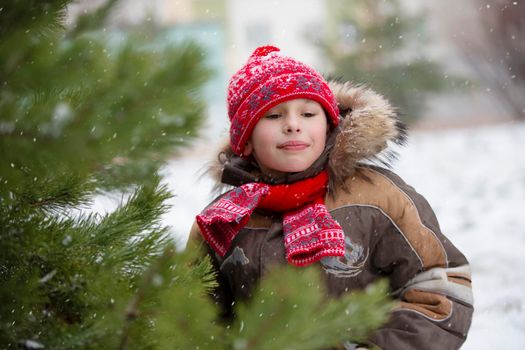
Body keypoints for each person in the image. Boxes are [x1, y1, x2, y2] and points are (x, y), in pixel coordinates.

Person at [190, 45, 473, 349]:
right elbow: (191, 316)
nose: (293, 124)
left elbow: (440, 285)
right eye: (273, 115)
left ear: (328, 125)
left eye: (308, 113)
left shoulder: (377, 199)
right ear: (244, 142)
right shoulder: (224, 221)